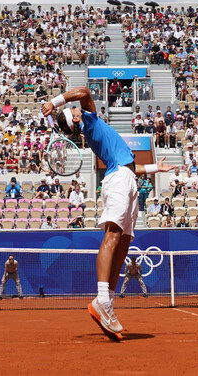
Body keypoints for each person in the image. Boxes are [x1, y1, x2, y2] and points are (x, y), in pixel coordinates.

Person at [42, 86, 171, 341]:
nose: (76, 107)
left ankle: (108, 304)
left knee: (123, 245)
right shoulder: (90, 119)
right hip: (119, 181)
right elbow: (83, 90)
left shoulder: (92, 127)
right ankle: (101, 299)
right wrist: (54, 102)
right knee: (112, 238)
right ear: (76, 118)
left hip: (127, 177)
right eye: (73, 109)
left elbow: (132, 166)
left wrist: (157, 167)